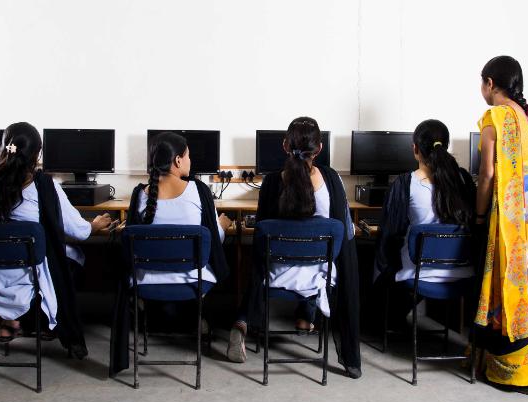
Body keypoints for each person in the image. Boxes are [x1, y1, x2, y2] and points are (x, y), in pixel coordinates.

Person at [0, 122, 111, 359]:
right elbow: (78, 231)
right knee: (75, 256)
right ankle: (43, 322)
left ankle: (12, 320)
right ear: (37, 154)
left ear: (2, 148)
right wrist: (95, 225)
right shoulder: (43, 186)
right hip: (32, 281)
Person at [226, 116, 362, 379]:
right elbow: (345, 231)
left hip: (278, 273)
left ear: (285, 145)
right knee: (325, 258)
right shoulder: (332, 180)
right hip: (320, 276)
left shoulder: (272, 183)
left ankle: (242, 323)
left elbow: (263, 233)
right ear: (320, 149)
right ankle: (343, 353)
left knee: (258, 258)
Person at [109, 131, 231, 376]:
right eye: (188, 156)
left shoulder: (139, 194)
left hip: (146, 282)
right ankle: (201, 322)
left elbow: (132, 242)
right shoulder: (200, 191)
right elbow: (209, 243)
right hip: (192, 282)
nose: (190, 161)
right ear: (177, 161)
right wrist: (223, 227)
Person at [473, 55, 528, 395]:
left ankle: (514, 374)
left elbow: (487, 176)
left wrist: (480, 217)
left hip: (518, 219)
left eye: (482, 83)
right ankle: (525, 365)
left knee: (510, 292)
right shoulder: (527, 116)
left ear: (490, 83)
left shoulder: (496, 118)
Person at [374, 119, 475, 328]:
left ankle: (384, 321)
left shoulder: (405, 184)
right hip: (463, 271)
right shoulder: (464, 179)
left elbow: (389, 234)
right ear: (446, 147)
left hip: (420, 271)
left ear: (415, 148)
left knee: (377, 262)